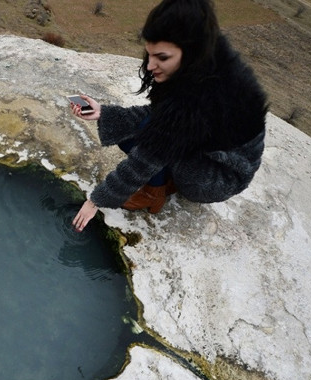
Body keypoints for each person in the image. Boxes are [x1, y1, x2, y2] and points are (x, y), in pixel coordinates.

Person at [70, 0, 268, 232]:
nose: (151, 65)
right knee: (127, 127)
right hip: (208, 154)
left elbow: (145, 160)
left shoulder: (205, 100)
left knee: (150, 138)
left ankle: (153, 195)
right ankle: (165, 179)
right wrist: (103, 112)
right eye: (150, 54)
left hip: (219, 178)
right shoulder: (200, 68)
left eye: (162, 58)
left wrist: (96, 201)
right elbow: (157, 115)